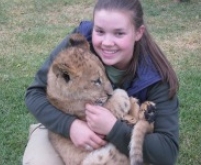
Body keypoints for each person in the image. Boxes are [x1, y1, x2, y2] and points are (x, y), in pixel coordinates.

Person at [23, 0, 179, 164]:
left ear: (138, 32)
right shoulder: (79, 44)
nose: (107, 42)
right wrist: (70, 126)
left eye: (119, 33)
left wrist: (113, 128)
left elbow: (166, 153)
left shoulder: (155, 77)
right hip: (62, 133)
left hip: (122, 139)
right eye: (100, 31)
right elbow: (34, 94)